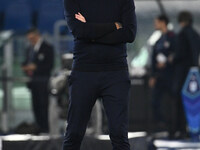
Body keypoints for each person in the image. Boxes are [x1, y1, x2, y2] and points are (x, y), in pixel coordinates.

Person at [62, 0, 137, 149]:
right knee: (74, 133)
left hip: (115, 72)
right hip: (84, 72)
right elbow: (79, 31)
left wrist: (90, 31)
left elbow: (129, 33)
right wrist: (113, 26)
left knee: (119, 134)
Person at [170, 11, 200, 138]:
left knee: (180, 102)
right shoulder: (196, 34)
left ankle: (181, 129)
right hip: (194, 74)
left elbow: (179, 54)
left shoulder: (181, 35)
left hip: (182, 73)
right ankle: (193, 128)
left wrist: (173, 58)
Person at [22, 28, 54, 133]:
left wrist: (35, 67)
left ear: (37, 36)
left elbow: (49, 65)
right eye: (29, 39)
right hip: (32, 82)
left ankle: (46, 128)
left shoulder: (47, 48)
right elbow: (25, 62)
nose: (31, 41)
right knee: (35, 105)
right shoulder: (29, 49)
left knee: (43, 105)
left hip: (43, 81)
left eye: (32, 38)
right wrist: (26, 68)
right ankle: (39, 127)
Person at [149, 15, 175, 131]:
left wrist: (167, 62)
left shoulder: (172, 37)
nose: (155, 25)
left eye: (157, 22)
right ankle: (162, 125)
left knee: (172, 102)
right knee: (155, 102)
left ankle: (173, 127)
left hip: (170, 76)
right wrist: (153, 75)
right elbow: (154, 59)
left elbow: (177, 54)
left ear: (163, 22)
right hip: (159, 77)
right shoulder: (158, 40)